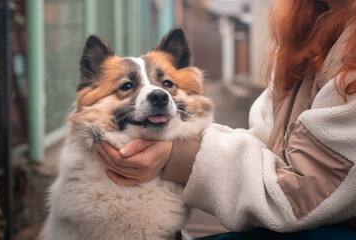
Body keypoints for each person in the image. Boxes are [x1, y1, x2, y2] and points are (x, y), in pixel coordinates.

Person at [96, 0, 356, 239]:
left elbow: (301, 195)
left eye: (166, 84)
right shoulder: (310, 29)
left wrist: (178, 156)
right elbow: (267, 142)